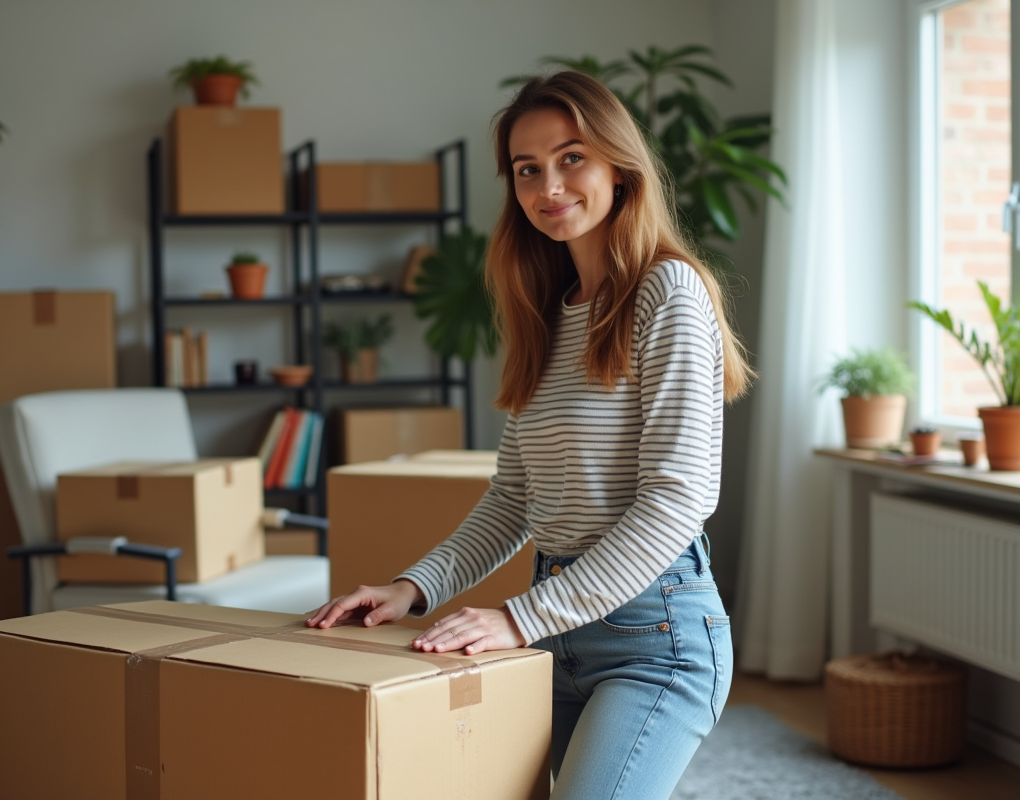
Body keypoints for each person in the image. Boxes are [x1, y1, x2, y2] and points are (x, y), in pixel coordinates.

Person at [307, 70, 755, 799]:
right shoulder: (548, 312)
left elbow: (678, 501)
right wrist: (412, 587)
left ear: (620, 166)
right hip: (555, 630)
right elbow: (514, 497)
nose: (550, 185)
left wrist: (520, 618)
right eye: (527, 169)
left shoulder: (668, 291)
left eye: (572, 157)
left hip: (654, 637)